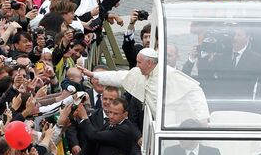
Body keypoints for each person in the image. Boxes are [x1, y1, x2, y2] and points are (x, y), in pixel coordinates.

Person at [78, 48, 210, 126]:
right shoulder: (140, 72)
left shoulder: (168, 73)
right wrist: (94, 74)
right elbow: (119, 76)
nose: (137, 65)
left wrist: (202, 117)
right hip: (155, 122)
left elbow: (194, 90)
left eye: (139, 62)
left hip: (176, 120)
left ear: (149, 63)